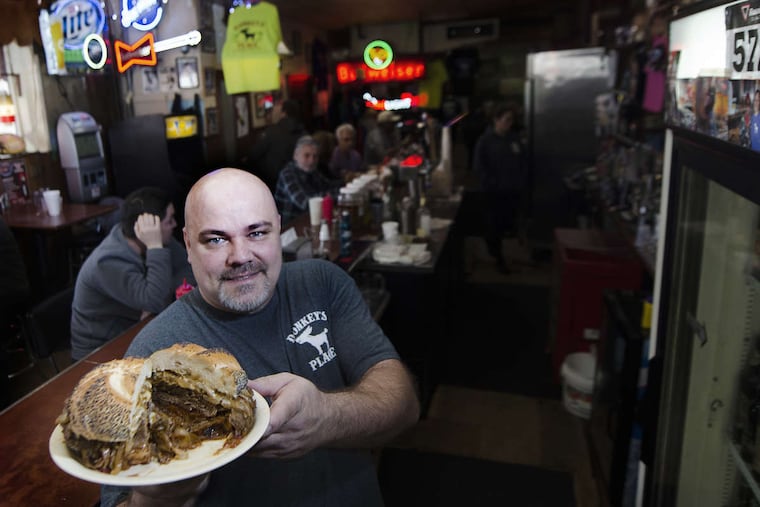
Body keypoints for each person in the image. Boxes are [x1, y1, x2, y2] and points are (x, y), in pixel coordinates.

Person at [100, 168, 420, 507]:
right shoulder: (153, 352)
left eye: (256, 232)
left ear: (279, 230)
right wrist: (161, 499)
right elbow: (118, 499)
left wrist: (325, 416)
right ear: (188, 245)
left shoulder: (322, 283)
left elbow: (404, 406)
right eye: (216, 239)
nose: (240, 256)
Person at [70, 187, 195, 360]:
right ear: (147, 229)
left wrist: (160, 293)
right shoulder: (107, 262)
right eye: (169, 220)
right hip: (98, 351)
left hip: (135, 329)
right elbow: (156, 301)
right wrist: (155, 247)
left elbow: (188, 267)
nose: (175, 224)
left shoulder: (160, 239)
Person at [472, 103, 527, 273]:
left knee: (506, 223)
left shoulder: (513, 138)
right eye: (506, 120)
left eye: (511, 121)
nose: (509, 124)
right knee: (494, 225)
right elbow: (479, 167)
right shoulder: (485, 141)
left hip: (512, 190)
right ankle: (497, 257)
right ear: (496, 120)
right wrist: (491, 184)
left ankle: (501, 252)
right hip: (494, 192)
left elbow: (522, 161)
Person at [274, 135, 339, 225]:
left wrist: (345, 186)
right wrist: (330, 196)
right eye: (307, 155)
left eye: (315, 156)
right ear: (295, 156)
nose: (311, 160)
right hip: (290, 228)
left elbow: (330, 185)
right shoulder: (287, 174)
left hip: (310, 221)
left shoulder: (312, 170)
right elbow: (306, 203)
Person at [247, 99, 306, 191]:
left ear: (284, 112)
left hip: (274, 184)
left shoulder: (273, 131)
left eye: (276, 108)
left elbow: (253, 155)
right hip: (300, 182)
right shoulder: (304, 132)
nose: (273, 110)